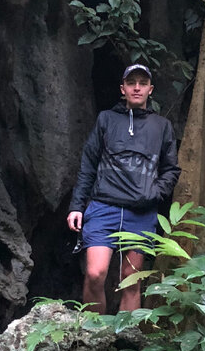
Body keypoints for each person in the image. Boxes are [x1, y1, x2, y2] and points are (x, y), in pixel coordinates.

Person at [67, 64, 180, 313]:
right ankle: (93, 336)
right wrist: (76, 206)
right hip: (103, 207)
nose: (136, 87)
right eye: (131, 83)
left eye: (142, 83)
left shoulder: (161, 126)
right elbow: (89, 163)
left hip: (140, 213)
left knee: (131, 280)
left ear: (151, 89)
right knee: (96, 274)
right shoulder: (106, 119)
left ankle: (127, 345)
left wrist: (154, 192)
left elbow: (171, 169)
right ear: (123, 88)